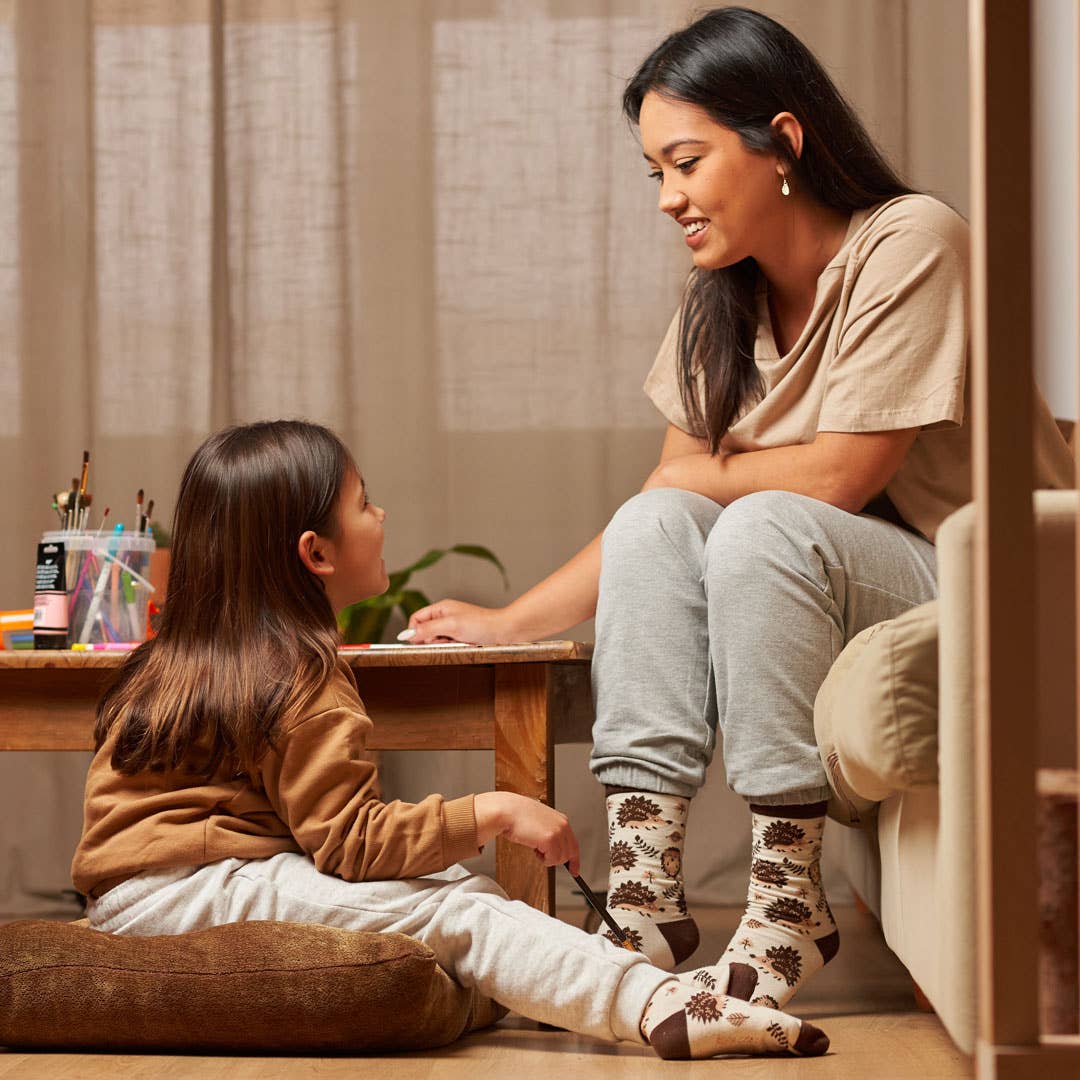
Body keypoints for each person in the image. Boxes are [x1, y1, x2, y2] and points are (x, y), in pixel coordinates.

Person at [402, 6, 1075, 1011]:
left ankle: (787, 886)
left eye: (687, 162)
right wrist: (507, 624)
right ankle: (644, 887)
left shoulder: (912, 242)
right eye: (655, 174)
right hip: (858, 581)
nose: (669, 197)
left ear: (784, 143)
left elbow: (841, 476)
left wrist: (703, 480)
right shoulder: (722, 300)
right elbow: (661, 508)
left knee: (758, 521)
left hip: (1001, 583)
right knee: (657, 525)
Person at [71, 420, 830, 1061]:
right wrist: (493, 813)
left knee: (456, 898)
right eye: (364, 504)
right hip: (198, 894)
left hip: (132, 899)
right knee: (466, 911)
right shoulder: (300, 677)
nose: (382, 515)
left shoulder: (165, 662)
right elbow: (351, 846)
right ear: (316, 554)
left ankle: (617, 980)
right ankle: (659, 1007)